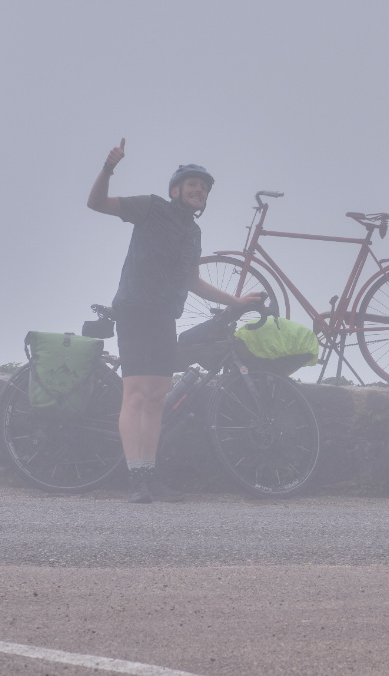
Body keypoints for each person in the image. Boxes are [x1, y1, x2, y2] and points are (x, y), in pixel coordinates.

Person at [87, 139, 261, 503]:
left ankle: (149, 477)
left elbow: (192, 281)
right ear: (175, 190)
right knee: (134, 396)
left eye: (206, 188)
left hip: (166, 316)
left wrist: (236, 302)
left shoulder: (193, 233)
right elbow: (97, 203)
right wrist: (108, 167)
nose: (201, 190)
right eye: (194, 184)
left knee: (156, 398)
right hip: (135, 310)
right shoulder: (150, 207)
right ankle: (135, 481)